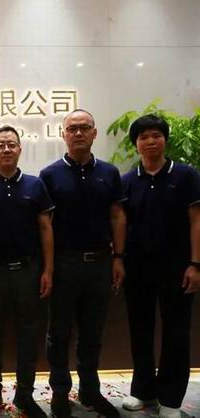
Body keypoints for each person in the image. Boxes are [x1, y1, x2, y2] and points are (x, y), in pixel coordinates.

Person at [39, 109, 126, 418]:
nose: (78, 133)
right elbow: (45, 225)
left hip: (100, 262)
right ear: (63, 134)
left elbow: (117, 216)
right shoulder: (49, 174)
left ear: (94, 133)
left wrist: (118, 257)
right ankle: (60, 392)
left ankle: (90, 390)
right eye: (72, 128)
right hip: (65, 263)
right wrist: (49, 268)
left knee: (92, 332)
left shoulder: (109, 172)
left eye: (84, 127)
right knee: (59, 332)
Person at [120, 114, 200, 418]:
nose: (150, 141)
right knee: (140, 330)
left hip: (177, 267)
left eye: (156, 135)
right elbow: (120, 223)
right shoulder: (127, 180)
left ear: (165, 139)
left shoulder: (186, 176)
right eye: (143, 137)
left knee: (176, 332)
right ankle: (143, 391)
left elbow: (197, 221)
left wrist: (196, 264)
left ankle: (171, 398)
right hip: (137, 267)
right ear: (136, 144)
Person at [0, 126, 54, 418]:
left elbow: (45, 228)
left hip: (29, 271)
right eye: (0, 145)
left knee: (28, 334)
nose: (6, 149)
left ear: (20, 149)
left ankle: (25, 394)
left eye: (11, 144)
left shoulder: (35, 184)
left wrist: (48, 269)